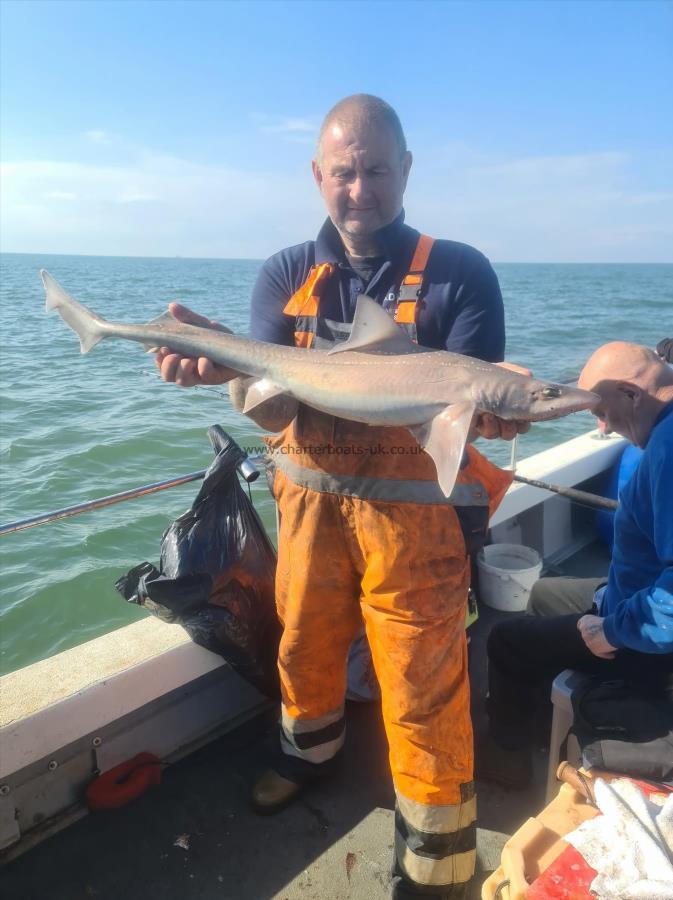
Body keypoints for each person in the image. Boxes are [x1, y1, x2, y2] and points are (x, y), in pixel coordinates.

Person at [156, 94, 528, 899]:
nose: (360, 189)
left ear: (405, 171)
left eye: (377, 171)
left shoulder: (460, 271)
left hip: (416, 526)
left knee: (425, 685)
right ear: (317, 175)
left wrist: (503, 412)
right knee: (303, 645)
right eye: (344, 172)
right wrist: (233, 376)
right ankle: (308, 753)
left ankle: (438, 863)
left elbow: (461, 412)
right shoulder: (286, 275)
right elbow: (278, 408)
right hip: (309, 513)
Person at [480, 342, 673, 788]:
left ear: (631, 393)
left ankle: (506, 763)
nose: (602, 429)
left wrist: (610, 631)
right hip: (625, 595)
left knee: (505, 640)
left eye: (599, 413)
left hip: (646, 644)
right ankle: (543, 712)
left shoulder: (667, 452)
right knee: (543, 593)